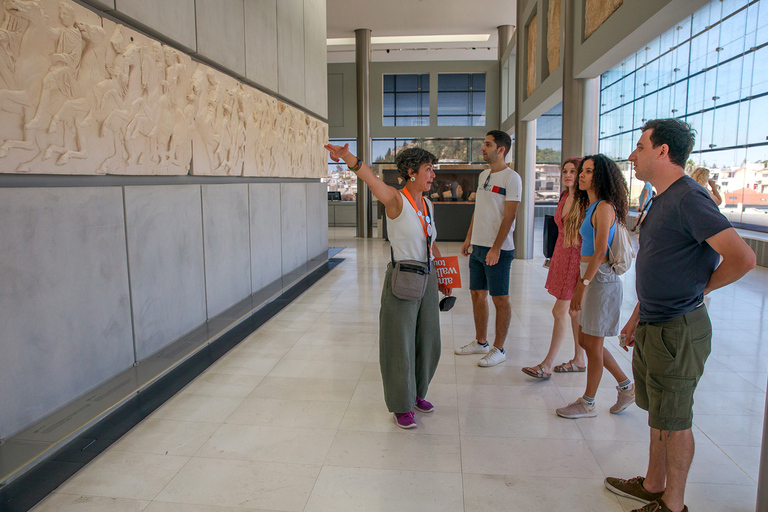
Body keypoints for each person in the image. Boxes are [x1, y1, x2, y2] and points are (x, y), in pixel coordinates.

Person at [604, 119, 755, 512]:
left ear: (662, 151)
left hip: (678, 328)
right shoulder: (661, 196)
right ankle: (654, 484)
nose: (633, 155)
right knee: (658, 413)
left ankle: (674, 504)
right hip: (655, 322)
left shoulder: (690, 197)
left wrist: (697, 290)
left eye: (640, 147)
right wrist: (638, 314)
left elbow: (743, 258)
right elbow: (662, 262)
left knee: (675, 420)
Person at [325, 142, 451, 430]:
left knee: (428, 341)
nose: (432, 175)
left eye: (433, 169)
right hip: (404, 277)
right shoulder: (396, 199)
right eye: (428, 170)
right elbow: (369, 177)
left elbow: (431, 243)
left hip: (428, 277)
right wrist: (346, 157)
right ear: (410, 172)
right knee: (400, 344)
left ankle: (418, 393)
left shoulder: (428, 204)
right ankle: (401, 404)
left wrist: (444, 276)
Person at [555, 155, 636, 419]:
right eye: (582, 171)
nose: (581, 175)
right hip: (590, 276)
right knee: (589, 342)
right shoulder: (589, 206)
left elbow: (600, 251)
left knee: (592, 343)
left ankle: (588, 402)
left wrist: (583, 285)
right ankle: (626, 386)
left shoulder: (603, 207)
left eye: (588, 171)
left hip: (599, 279)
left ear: (600, 177)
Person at [455, 130, 521, 367]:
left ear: (501, 149)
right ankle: (480, 342)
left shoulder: (512, 178)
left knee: (500, 298)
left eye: (487, 144)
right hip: (478, 247)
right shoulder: (483, 175)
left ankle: (499, 348)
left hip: (499, 251)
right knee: (476, 294)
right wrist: (468, 238)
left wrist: (496, 247)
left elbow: (510, 215)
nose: (483, 148)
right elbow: (479, 210)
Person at [521, 158, 586, 378]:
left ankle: (547, 365)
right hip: (561, 258)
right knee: (574, 313)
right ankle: (579, 359)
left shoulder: (586, 202)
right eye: (565, 171)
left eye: (573, 171)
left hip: (575, 262)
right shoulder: (565, 196)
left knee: (560, 311)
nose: (568, 175)